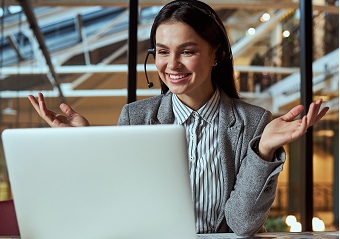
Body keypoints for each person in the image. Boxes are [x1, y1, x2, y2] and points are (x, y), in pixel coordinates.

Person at [28, 0, 329, 236]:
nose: (172, 64)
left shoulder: (253, 122)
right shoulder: (136, 118)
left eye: (187, 51)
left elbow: (242, 224)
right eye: (162, 51)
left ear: (216, 55)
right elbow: (118, 208)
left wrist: (263, 151)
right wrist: (88, 143)